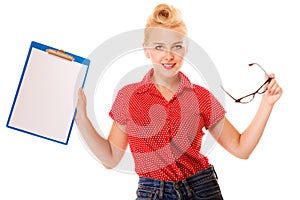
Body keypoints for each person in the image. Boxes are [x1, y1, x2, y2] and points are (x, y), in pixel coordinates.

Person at [75, 3, 282, 200]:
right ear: (147, 50)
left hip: (202, 188)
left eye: (176, 46)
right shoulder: (128, 97)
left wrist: (267, 104)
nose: (168, 55)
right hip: (152, 191)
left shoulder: (201, 98)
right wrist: (82, 118)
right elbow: (110, 158)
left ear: (186, 49)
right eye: (159, 47)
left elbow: (241, 149)